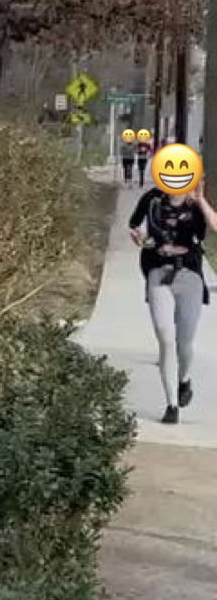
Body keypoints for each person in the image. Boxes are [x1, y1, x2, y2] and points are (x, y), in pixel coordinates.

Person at [128, 178, 217, 423]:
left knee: (184, 343)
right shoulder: (153, 199)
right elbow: (135, 226)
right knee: (165, 338)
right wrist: (140, 237)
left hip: (189, 276)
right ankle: (172, 405)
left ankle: (184, 379)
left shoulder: (196, 204)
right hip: (158, 272)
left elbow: (214, 225)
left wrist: (200, 199)